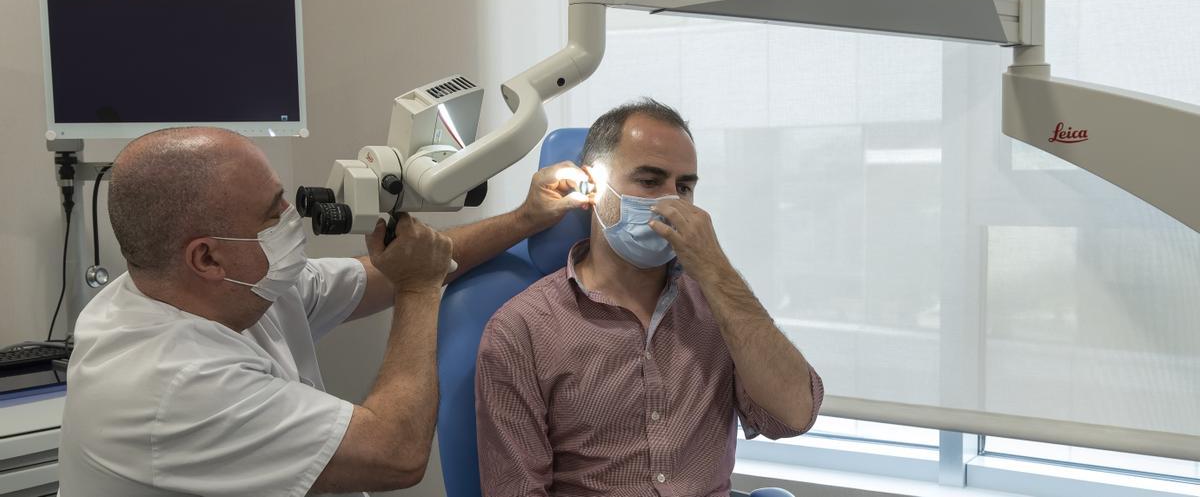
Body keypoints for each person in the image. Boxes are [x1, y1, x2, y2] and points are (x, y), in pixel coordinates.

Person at [56, 127, 589, 497]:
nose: (295, 219)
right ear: (208, 256)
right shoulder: (168, 384)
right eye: (273, 213)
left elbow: (378, 275)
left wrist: (524, 218)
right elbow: (396, 454)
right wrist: (420, 291)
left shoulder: (231, 286)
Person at [475, 99, 824, 497]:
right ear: (592, 186)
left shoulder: (718, 306)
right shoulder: (522, 330)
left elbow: (794, 417)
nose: (671, 202)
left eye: (685, 187)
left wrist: (717, 271)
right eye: (649, 180)